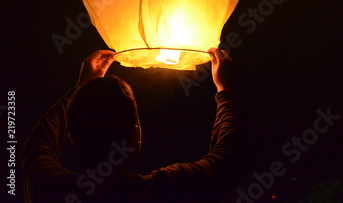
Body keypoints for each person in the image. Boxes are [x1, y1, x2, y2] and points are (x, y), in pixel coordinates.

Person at [21, 48, 245, 202]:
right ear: (135, 136)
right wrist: (226, 90)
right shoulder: (166, 192)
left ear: (71, 137)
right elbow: (230, 158)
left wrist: (80, 88)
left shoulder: (50, 190)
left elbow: (38, 143)